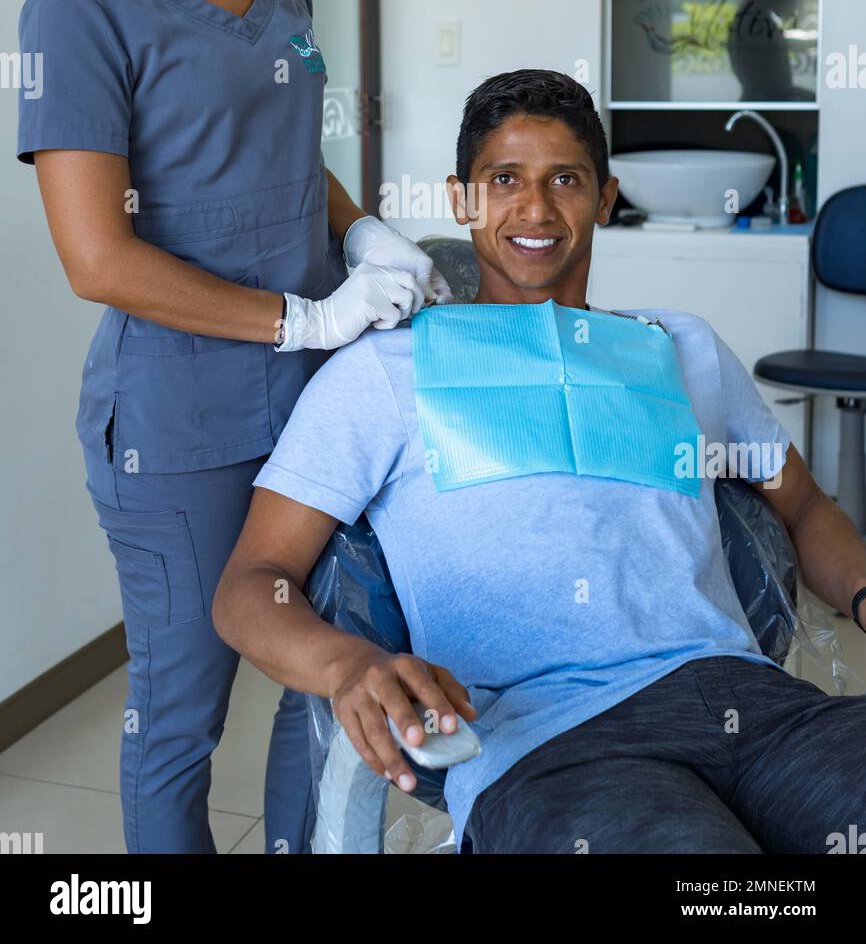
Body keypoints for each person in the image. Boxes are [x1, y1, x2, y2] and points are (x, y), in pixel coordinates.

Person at [213, 69, 866, 854]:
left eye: (565, 179)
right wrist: (347, 663)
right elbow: (252, 582)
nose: (535, 209)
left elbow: (801, 507)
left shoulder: (680, 345)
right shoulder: (382, 373)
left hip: (756, 708)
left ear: (605, 197)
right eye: (503, 181)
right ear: (461, 199)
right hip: (553, 745)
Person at [16, 0, 447, 855]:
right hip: (180, 423)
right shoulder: (77, 9)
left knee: (327, 681)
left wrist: (365, 240)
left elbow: (283, 155)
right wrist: (302, 314)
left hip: (317, 399)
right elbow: (94, 258)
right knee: (180, 715)